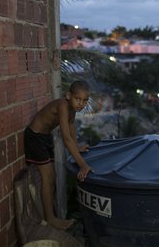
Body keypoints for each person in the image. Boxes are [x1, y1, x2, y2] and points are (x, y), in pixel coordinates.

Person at [24, 80, 93, 230]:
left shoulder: (73, 109)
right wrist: (83, 165)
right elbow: (66, 137)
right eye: (77, 98)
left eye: (85, 100)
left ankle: (51, 215)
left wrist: (77, 147)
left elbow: (71, 125)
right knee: (47, 177)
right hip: (35, 137)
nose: (81, 103)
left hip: (45, 137)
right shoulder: (63, 105)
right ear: (69, 95)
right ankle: (50, 219)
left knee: (51, 177)